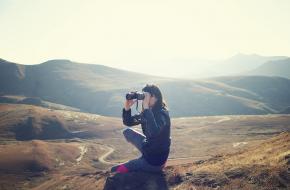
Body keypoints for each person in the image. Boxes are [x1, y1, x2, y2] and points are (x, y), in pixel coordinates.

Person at [110, 84, 171, 173]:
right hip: (149, 147)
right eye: (144, 97)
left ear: (156, 97)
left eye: (147, 96)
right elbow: (128, 122)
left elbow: (154, 132)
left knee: (114, 170)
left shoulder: (162, 114)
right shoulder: (148, 112)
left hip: (155, 161)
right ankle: (144, 155)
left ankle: (144, 161)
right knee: (127, 132)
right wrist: (127, 108)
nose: (144, 100)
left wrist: (146, 108)